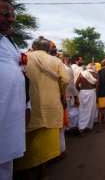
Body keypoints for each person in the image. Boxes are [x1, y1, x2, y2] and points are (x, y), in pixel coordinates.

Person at [15, 36, 69, 176]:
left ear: (33, 47)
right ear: (48, 49)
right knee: (45, 140)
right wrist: (58, 92)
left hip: (28, 104)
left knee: (27, 137)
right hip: (51, 105)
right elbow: (65, 80)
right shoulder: (56, 61)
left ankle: (24, 170)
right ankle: (42, 170)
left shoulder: (23, 57)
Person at [0, 0, 29, 180]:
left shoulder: (7, 43)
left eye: (12, 14)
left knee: (5, 164)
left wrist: (27, 105)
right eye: (5, 14)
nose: (11, 19)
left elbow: (21, 73)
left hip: (9, 118)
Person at [75, 63, 98, 136]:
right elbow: (97, 87)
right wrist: (97, 96)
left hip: (82, 93)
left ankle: (80, 128)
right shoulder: (96, 74)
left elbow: (76, 85)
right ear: (94, 68)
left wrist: (80, 90)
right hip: (92, 93)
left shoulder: (82, 73)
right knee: (90, 110)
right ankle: (87, 126)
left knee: (82, 110)